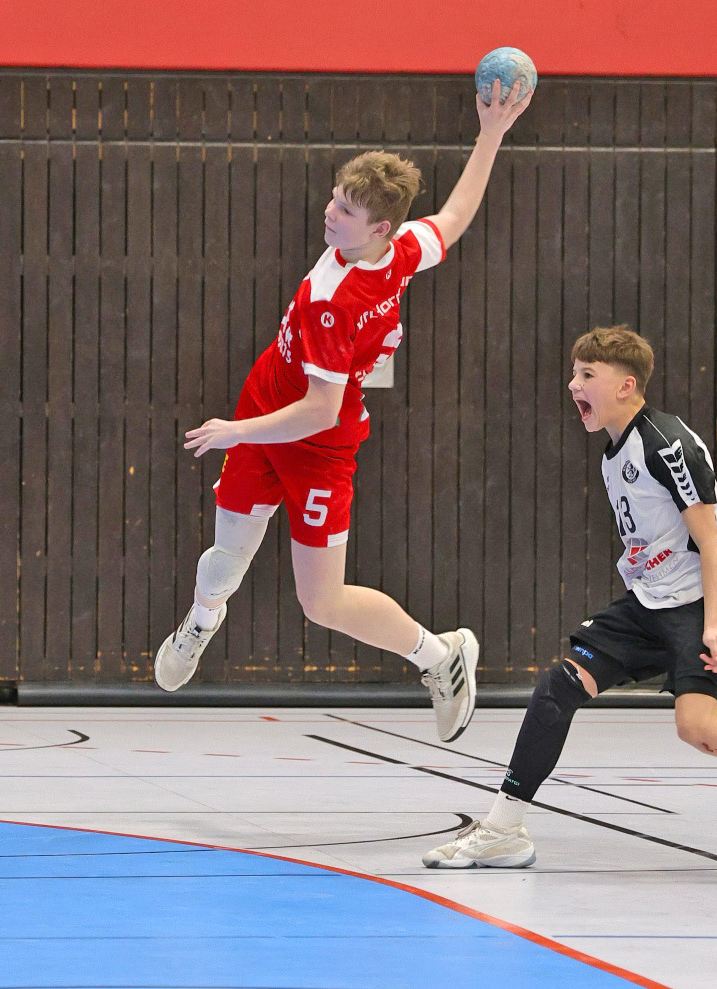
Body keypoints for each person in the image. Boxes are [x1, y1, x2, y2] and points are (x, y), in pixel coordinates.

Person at [152, 80, 532, 743]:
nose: (329, 212)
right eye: (334, 196)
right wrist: (491, 134)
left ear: (379, 228)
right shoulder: (399, 248)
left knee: (321, 601)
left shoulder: (332, 300)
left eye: (346, 210)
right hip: (268, 402)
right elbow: (454, 216)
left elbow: (320, 412)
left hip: (315, 437)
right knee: (226, 560)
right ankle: (201, 621)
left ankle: (441, 656)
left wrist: (235, 431)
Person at [423, 325, 717, 870]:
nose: (573, 384)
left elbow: (710, 543)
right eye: (573, 373)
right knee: (557, 689)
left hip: (704, 595)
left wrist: (713, 625)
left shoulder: (666, 444)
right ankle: (503, 830)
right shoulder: (614, 454)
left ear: (626, 385)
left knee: (698, 728)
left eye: (587, 374)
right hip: (650, 599)